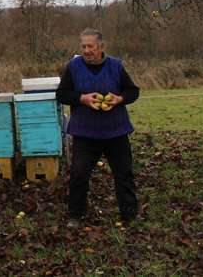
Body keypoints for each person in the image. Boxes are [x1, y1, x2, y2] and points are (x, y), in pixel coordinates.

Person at [56, 28, 140, 227]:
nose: (86, 50)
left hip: (115, 131)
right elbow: (62, 94)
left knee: (124, 173)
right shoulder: (73, 67)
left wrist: (119, 99)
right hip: (85, 133)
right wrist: (81, 98)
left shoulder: (116, 66)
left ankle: (129, 214)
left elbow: (133, 91)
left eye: (90, 46)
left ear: (101, 47)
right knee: (78, 174)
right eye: (83, 46)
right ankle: (76, 215)